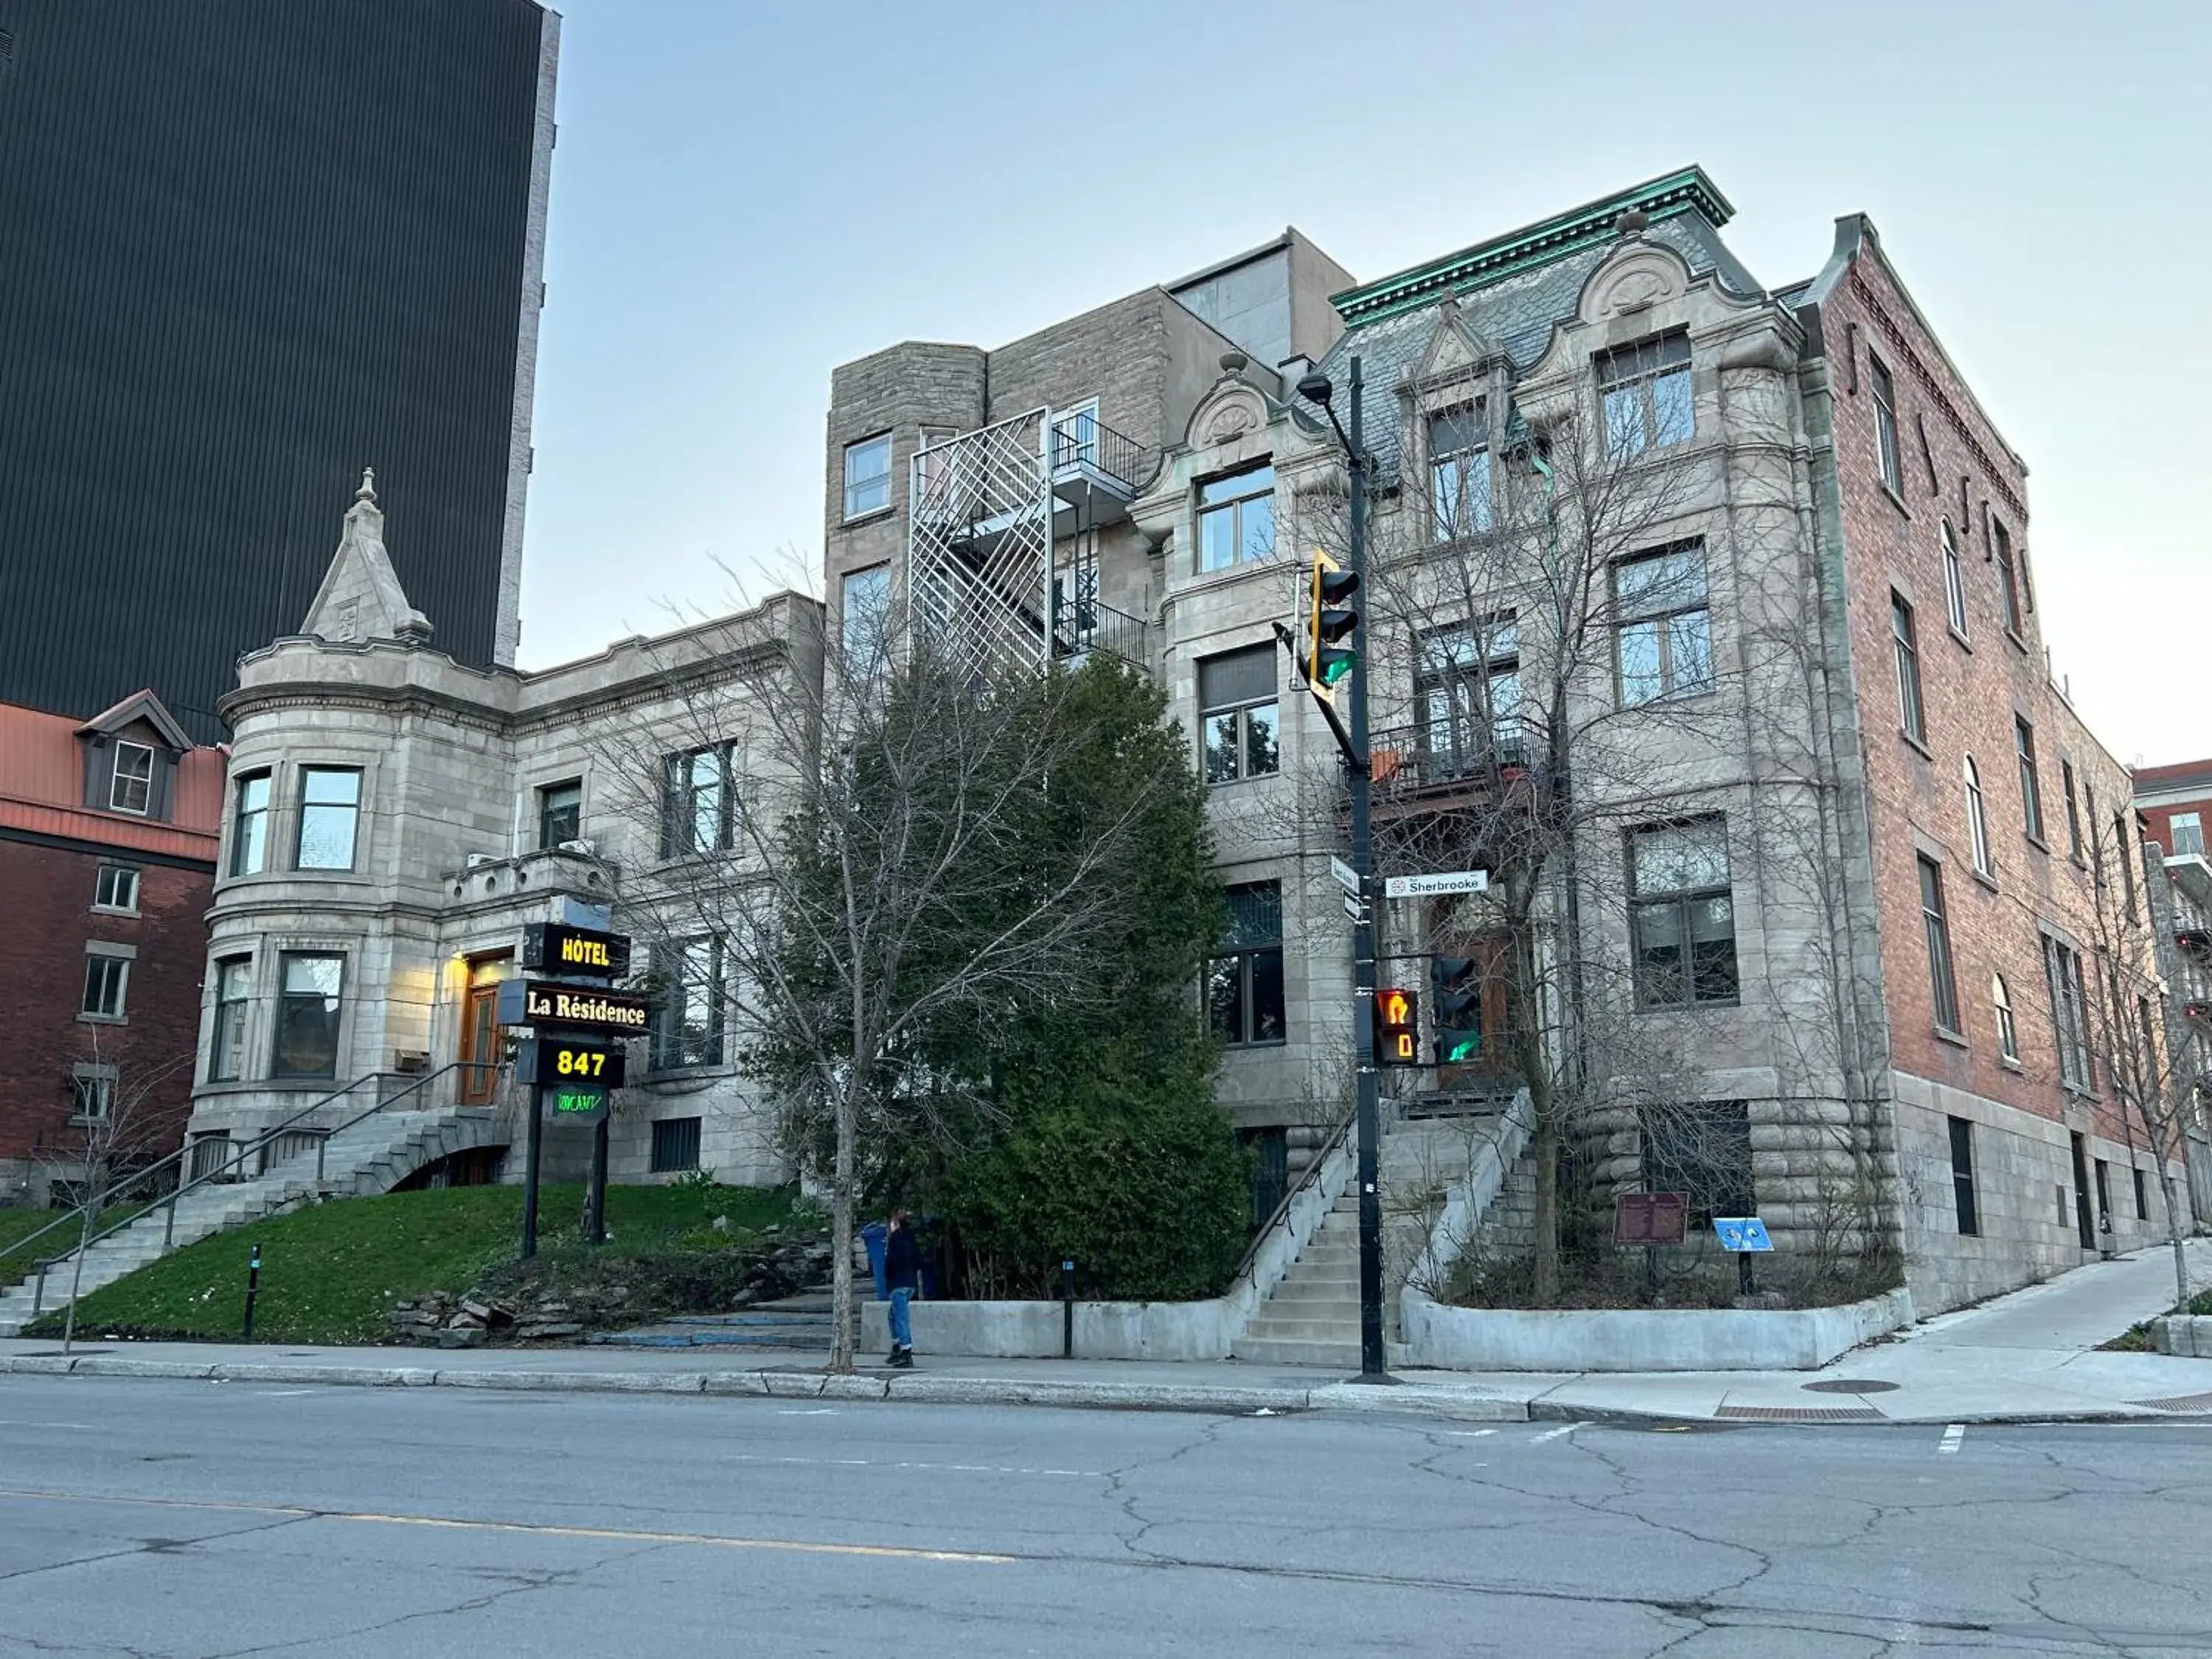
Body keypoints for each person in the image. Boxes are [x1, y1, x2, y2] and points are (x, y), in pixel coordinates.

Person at [883, 1209, 919, 1368]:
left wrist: (888, 1278)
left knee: (900, 1318)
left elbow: (890, 1262)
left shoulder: (894, 1239)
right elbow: (918, 1259)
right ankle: (897, 1347)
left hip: (898, 1284)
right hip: (910, 1283)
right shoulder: (911, 1237)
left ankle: (906, 1352)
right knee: (893, 1316)